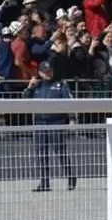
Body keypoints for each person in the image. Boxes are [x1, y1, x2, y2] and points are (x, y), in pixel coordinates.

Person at [25, 60, 77, 192]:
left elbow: (69, 102)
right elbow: (24, 100)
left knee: (60, 152)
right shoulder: (37, 86)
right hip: (39, 123)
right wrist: (29, 87)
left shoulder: (60, 85)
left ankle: (71, 178)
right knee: (41, 154)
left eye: (50, 71)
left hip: (56, 122)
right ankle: (44, 182)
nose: (48, 74)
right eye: (45, 71)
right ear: (40, 72)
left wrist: (72, 119)